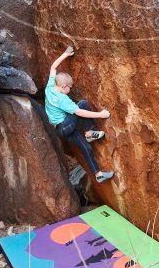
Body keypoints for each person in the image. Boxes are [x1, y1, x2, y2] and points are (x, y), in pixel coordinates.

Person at [45, 46, 114, 183]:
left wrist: (65, 54)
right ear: (64, 87)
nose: (69, 91)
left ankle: (98, 175)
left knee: (85, 148)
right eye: (69, 88)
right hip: (65, 125)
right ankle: (89, 132)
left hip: (61, 129)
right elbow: (79, 112)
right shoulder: (62, 99)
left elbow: (53, 67)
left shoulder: (49, 87)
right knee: (81, 104)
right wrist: (101, 115)